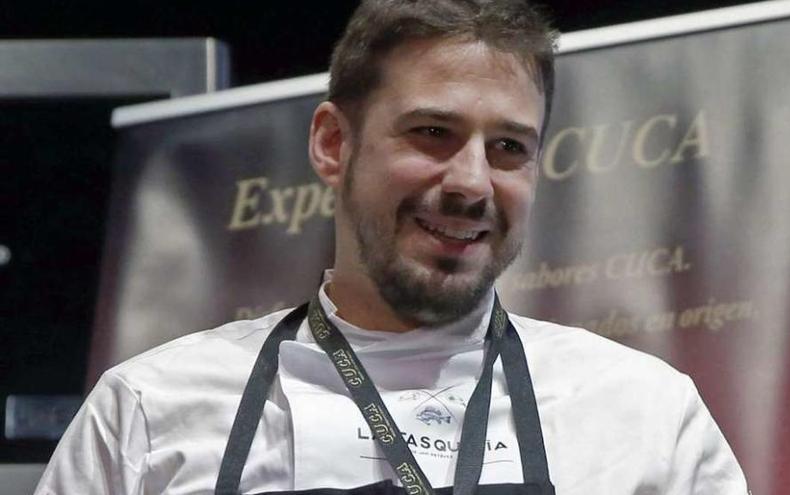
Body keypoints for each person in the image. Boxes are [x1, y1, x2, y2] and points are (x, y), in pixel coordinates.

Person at [36, 0, 748, 493]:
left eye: (507, 147)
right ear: (332, 143)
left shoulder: (646, 417)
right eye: (432, 133)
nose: (472, 182)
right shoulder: (148, 413)